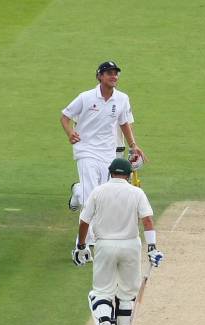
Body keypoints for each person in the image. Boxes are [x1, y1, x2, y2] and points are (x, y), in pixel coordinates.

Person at [72, 157, 164, 325]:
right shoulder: (136, 192)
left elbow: (84, 221)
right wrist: (152, 247)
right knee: (127, 293)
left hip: (104, 245)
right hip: (131, 245)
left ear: (110, 173)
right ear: (129, 175)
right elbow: (147, 221)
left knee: (101, 292)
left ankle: (105, 324)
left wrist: (81, 245)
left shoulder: (98, 192)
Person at [61, 60, 146, 243]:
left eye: (116, 73)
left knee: (101, 192)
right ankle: (85, 241)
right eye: (109, 73)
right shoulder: (86, 97)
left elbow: (124, 122)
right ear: (100, 76)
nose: (113, 76)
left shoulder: (122, 99)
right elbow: (65, 117)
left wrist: (133, 145)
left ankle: (77, 190)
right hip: (86, 150)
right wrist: (70, 133)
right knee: (90, 196)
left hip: (108, 152)